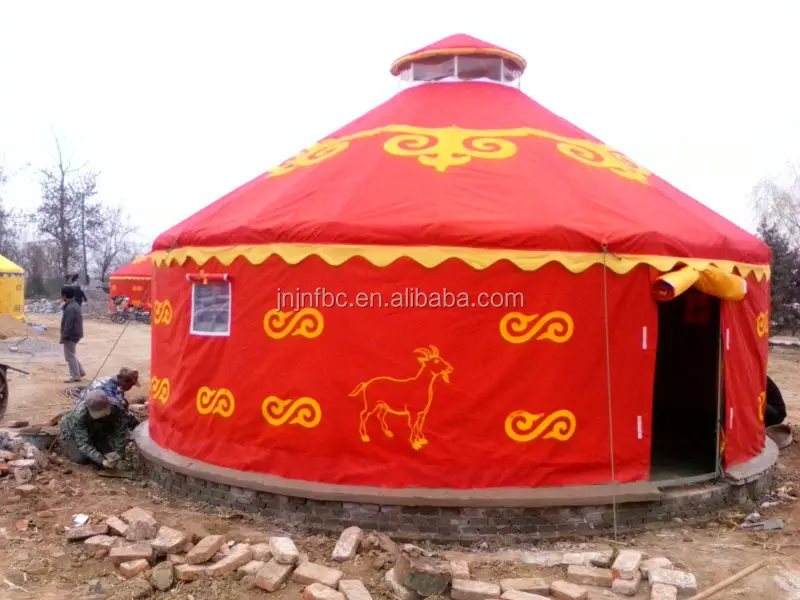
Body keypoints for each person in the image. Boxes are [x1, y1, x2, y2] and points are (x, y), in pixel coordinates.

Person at [59, 389, 129, 468]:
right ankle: (64, 442)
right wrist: (101, 460)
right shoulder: (79, 415)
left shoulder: (115, 406)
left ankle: (97, 441)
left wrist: (119, 452)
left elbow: (120, 429)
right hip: (72, 432)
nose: (102, 414)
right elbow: (83, 443)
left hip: (94, 426)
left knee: (108, 449)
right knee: (81, 459)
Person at [60, 286, 86, 383]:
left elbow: (68, 324)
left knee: (69, 356)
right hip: (76, 333)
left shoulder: (70, 308)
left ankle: (76, 376)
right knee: (71, 354)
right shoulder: (74, 305)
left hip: (71, 335)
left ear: (65, 296)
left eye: (62, 295)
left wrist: (64, 336)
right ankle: (80, 372)